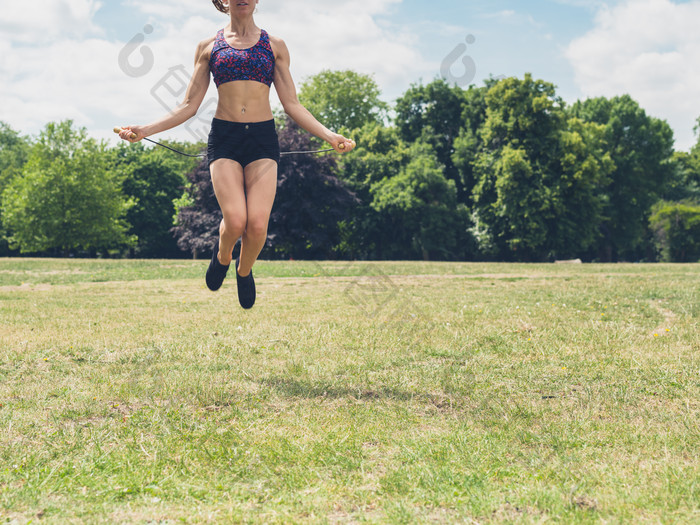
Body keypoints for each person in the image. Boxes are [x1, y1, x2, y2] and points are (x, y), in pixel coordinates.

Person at [117, 0, 355, 309]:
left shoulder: (275, 45)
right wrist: (146, 129)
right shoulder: (209, 46)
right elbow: (189, 105)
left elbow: (292, 104)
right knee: (236, 219)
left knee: (256, 225)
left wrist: (329, 135)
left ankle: (244, 271)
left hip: (262, 140)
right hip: (225, 139)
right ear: (224, 1)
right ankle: (222, 256)